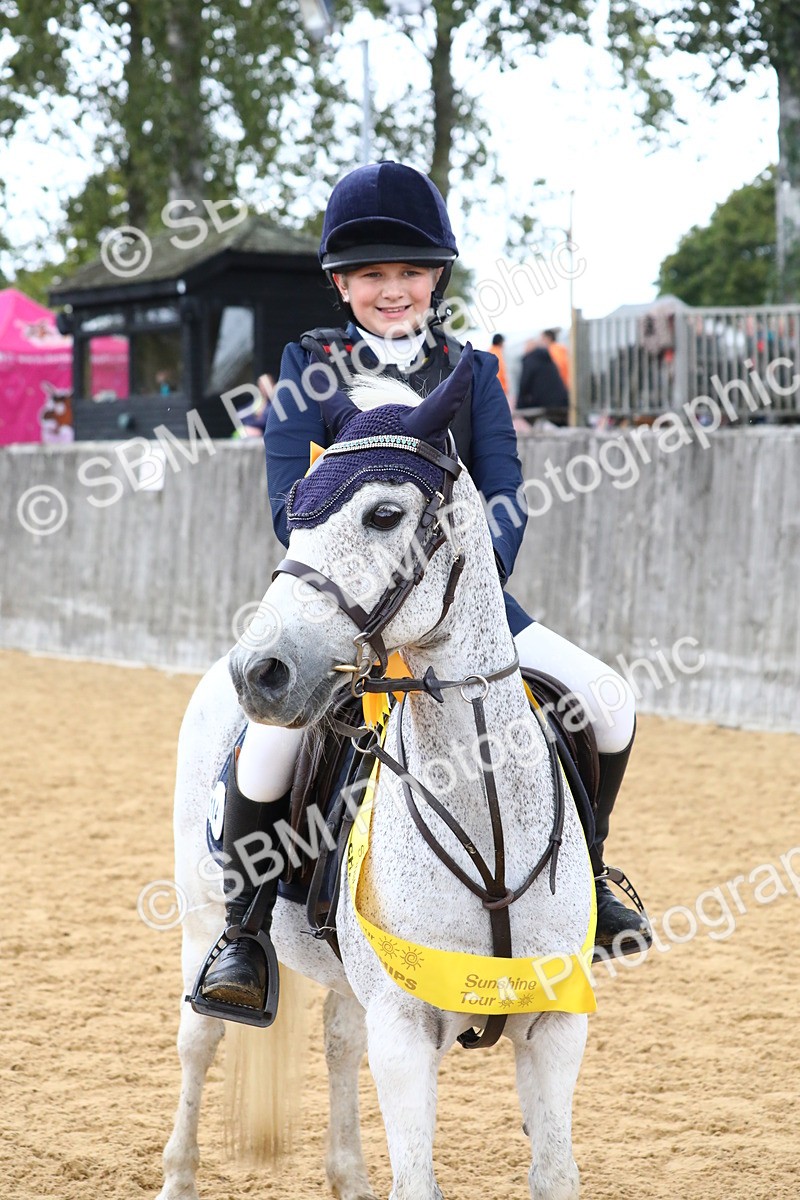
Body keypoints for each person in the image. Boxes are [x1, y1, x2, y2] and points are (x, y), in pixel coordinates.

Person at [198, 161, 651, 1015]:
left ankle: (589, 877)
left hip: (462, 606)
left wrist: (469, 586)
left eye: (410, 271)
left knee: (608, 700)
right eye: (371, 274)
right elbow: (291, 503)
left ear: (436, 277)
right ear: (341, 283)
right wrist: (365, 597)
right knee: (267, 748)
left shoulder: (472, 370)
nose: (393, 289)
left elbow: (504, 490)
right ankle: (244, 932)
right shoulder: (308, 366)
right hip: (345, 613)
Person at [517, 336, 569, 425]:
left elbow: (524, 385)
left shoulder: (530, 360)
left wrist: (519, 407)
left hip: (544, 405)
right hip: (562, 402)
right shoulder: (549, 359)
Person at [488, 333, 510, 397]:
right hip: (498, 389)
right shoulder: (496, 354)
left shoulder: (490, 352)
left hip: (494, 389)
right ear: (500, 342)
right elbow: (499, 373)